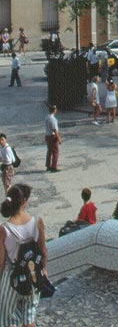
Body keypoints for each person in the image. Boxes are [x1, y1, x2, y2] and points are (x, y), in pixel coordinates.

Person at [0, 183, 48, 327]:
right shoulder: (37, 221)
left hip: (12, 278)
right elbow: (43, 251)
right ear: (25, 201)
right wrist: (44, 271)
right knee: (29, 316)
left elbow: (1, 261)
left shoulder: (4, 228)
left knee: (8, 319)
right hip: (32, 275)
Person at [45, 104, 62, 172]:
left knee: (49, 151)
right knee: (55, 152)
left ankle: (48, 165)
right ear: (54, 110)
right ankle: (54, 167)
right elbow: (55, 130)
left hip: (47, 135)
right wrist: (59, 138)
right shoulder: (53, 119)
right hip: (52, 137)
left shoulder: (46, 117)